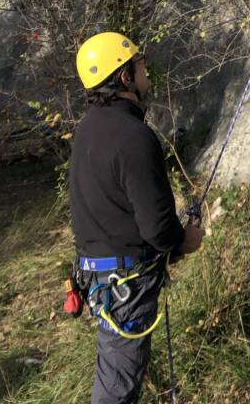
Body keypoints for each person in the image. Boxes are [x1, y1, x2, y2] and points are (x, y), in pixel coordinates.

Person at [69, 32, 203, 404]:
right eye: (139, 64)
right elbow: (158, 229)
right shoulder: (134, 137)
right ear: (125, 76)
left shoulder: (87, 130)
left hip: (100, 278)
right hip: (124, 288)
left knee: (116, 376)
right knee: (117, 388)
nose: (146, 70)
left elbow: (110, 208)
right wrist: (184, 240)